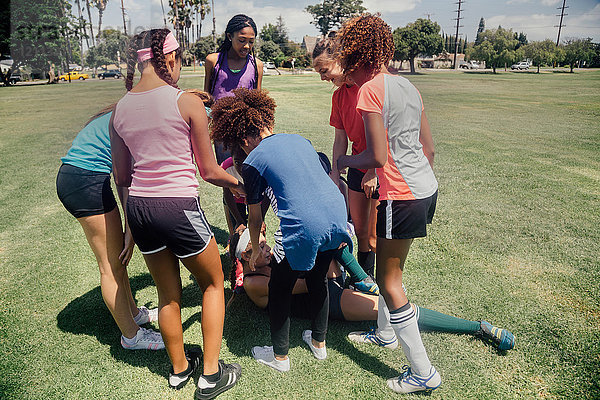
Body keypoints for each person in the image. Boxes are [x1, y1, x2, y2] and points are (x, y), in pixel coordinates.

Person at [110, 28, 243, 398]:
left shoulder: (119, 109)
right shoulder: (185, 102)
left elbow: (122, 176)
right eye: (180, 58)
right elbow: (210, 171)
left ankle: (180, 370)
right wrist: (239, 186)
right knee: (213, 284)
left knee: (167, 296)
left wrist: (130, 227)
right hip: (178, 207)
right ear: (168, 57)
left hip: (139, 209)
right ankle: (212, 376)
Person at [210, 88, 352, 373]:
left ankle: (280, 358)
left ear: (244, 139)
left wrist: (251, 256)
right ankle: (319, 344)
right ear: (265, 122)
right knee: (316, 278)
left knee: (278, 287)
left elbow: (254, 217)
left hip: (305, 225)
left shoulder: (252, 162)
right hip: (338, 215)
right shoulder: (299, 139)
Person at [336, 14, 441, 394]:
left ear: (357, 54)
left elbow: (376, 157)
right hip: (425, 189)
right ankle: (385, 334)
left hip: (401, 195)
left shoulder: (370, 90)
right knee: (388, 270)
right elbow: (428, 149)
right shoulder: (408, 86)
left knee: (389, 281)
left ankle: (423, 373)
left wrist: (345, 161)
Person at [229, 227, 515, 351]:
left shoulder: (271, 261)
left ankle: (364, 278)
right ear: (245, 258)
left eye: (265, 244)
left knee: (332, 240)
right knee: (391, 311)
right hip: (328, 300)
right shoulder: (255, 283)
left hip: (328, 283)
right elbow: (307, 284)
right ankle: (477, 328)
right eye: (259, 248)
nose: (267, 249)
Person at [56, 105, 164, 352]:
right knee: (110, 266)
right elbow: (124, 178)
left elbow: (122, 177)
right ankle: (132, 336)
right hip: (84, 181)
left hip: (83, 178)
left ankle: (134, 315)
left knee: (118, 259)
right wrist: (131, 227)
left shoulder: (130, 110)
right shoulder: (138, 118)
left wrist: (129, 227)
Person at [313, 34, 378, 281]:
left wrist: (373, 171)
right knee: (359, 230)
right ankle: (364, 278)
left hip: (378, 167)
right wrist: (334, 175)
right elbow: (341, 139)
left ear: (340, 59)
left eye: (324, 70)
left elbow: (383, 133)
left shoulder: (367, 86)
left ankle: (383, 285)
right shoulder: (338, 96)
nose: (323, 78)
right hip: (356, 166)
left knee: (374, 234)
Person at [204, 14, 264, 236]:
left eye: (251, 41)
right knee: (228, 180)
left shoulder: (256, 65)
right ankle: (235, 234)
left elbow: (258, 101)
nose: (246, 45)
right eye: (241, 40)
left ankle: (254, 231)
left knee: (251, 179)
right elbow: (208, 97)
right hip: (222, 135)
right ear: (229, 36)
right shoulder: (213, 61)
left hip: (248, 135)